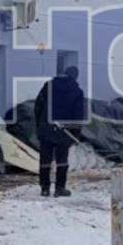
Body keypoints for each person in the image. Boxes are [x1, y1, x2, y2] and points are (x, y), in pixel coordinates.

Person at [33, 66, 85, 197]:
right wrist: (75, 133)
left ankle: (44, 188)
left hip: (46, 128)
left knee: (45, 160)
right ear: (75, 76)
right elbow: (78, 115)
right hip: (64, 131)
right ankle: (59, 188)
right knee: (62, 161)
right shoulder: (77, 91)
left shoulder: (48, 86)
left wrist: (40, 124)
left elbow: (38, 106)